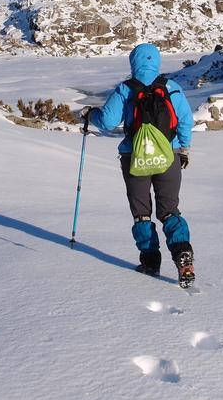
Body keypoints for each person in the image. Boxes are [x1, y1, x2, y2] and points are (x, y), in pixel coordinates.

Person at [84, 43, 196, 286]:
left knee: (142, 213)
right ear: (156, 62)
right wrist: (183, 149)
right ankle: (182, 253)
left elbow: (107, 122)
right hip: (169, 155)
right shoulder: (171, 88)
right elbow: (187, 121)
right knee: (169, 210)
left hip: (134, 158)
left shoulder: (126, 89)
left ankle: (150, 262)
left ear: (133, 63)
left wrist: (90, 114)